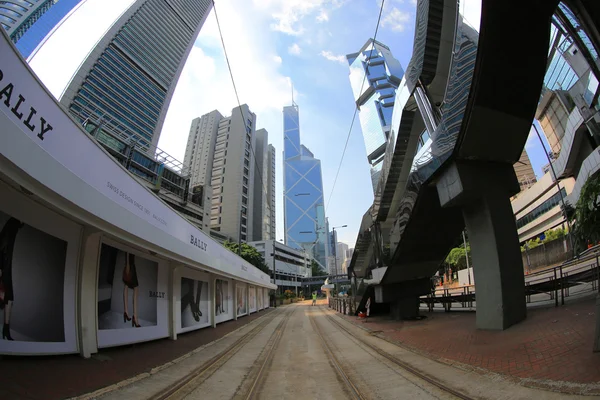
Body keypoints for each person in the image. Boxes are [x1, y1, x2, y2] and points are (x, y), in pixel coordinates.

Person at [0, 218, 24, 341]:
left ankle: (6, 329)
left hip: (4, 267)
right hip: (3, 267)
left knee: (9, 297)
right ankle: (6, 330)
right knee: (8, 297)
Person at [122, 253, 141, 327]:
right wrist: (128, 270)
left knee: (126, 285)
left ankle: (126, 312)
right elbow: (128, 258)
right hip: (130, 267)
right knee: (135, 288)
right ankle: (135, 318)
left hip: (129, 267)